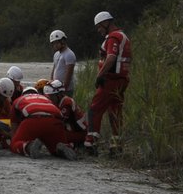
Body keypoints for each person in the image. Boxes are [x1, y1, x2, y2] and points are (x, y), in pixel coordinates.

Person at [86, 10, 132, 154]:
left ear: (106, 23)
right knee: (115, 112)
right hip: (122, 80)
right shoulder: (124, 36)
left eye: (99, 27)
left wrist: (100, 75)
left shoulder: (113, 37)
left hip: (111, 80)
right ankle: (116, 146)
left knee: (94, 109)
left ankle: (90, 144)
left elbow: (111, 58)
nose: (99, 30)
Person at [8, 84, 79, 159]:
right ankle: (61, 148)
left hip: (33, 120)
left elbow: (14, 126)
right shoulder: (46, 98)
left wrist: (15, 139)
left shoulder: (19, 100)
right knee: (54, 147)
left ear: (23, 94)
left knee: (14, 143)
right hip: (55, 121)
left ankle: (28, 147)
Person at [48, 29, 77, 96]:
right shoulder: (56, 54)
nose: (54, 45)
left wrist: (64, 88)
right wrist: (51, 82)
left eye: (56, 43)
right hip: (56, 89)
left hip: (65, 90)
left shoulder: (69, 54)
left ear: (63, 41)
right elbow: (54, 69)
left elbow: (68, 74)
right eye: (53, 43)